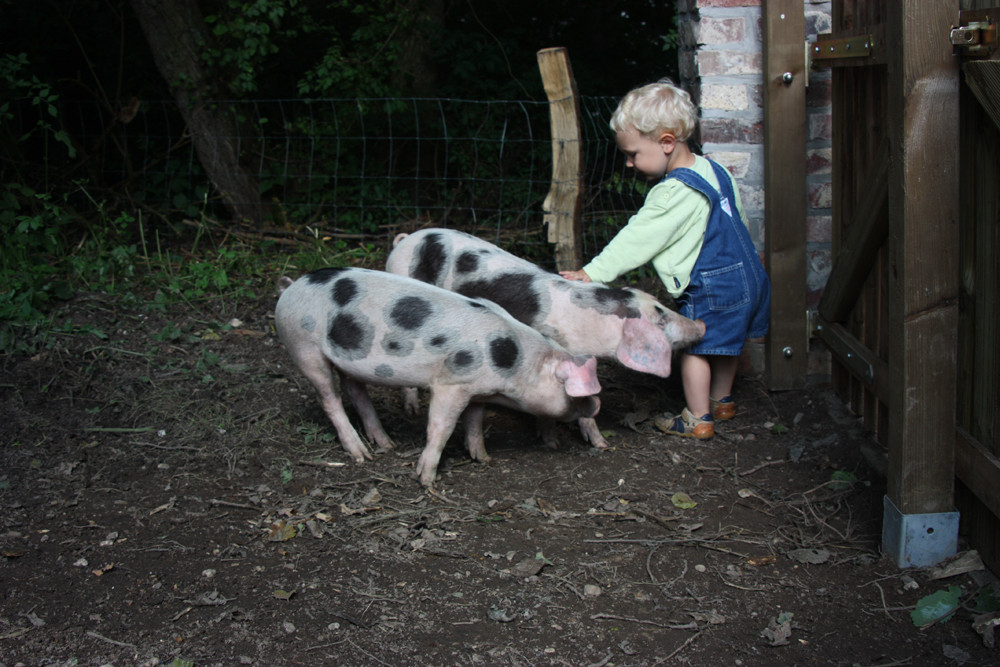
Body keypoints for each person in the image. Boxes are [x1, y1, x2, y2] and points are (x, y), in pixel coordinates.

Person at [559, 79, 770, 440]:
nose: (628, 163)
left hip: (715, 283)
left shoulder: (672, 192)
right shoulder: (715, 170)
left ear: (667, 143)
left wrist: (592, 272)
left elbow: (637, 238)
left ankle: (698, 417)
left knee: (696, 347)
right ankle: (722, 400)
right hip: (748, 274)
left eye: (634, 154)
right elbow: (738, 219)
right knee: (726, 340)